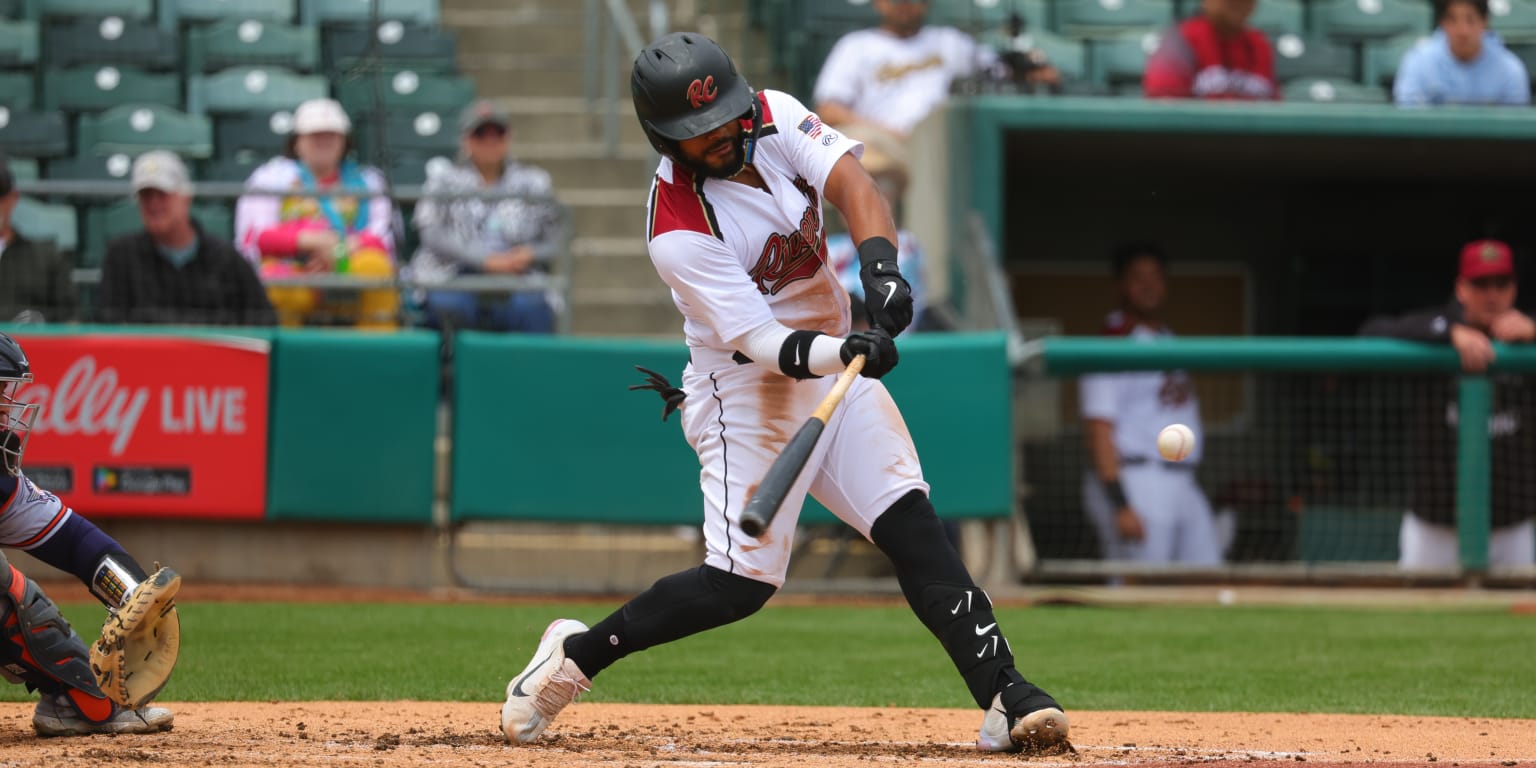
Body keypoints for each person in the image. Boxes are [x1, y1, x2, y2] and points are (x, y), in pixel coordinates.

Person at [500, 33, 1069, 755]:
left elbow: (855, 187)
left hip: (833, 363)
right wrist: (846, 348)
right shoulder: (676, 226)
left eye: (727, 121)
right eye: (699, 137)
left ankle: (1005, 695)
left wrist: (882, 269)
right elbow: (763, 344)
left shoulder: (772, 115)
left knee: (913, 528)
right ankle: (578, 655)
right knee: (737, 586)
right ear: (667, 141)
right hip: (746, 392)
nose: (723, 139)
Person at [0, 331, 178, 736]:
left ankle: (77, 700)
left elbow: (78, 543)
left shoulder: (2, 483)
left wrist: (133, 596)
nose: (6, 413)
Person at [1359, 239, 1535, 569]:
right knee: (1417, 618)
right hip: (1435, 526)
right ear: (1461, 288)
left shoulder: (1528, 333)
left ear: (1514, 288)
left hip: (1512, 525)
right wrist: (1448, 332)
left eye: (1501, 283)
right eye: (1481, 284)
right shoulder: (1436, 328)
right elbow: (1371, 332)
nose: (1492, 294)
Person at [813, 0, 1057, 197]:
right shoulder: (856, 46)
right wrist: (890, 132)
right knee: (861, 160)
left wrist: (1034, 70)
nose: (905, 4)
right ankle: (877, 254)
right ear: (878, 3)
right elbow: (829, 109)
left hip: (941, 143)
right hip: (885, 142)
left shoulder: (949, 41)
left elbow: (1000, 70)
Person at [1079, 243, 1223, 565]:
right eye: (1137, 277)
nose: (1148, 285)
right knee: (1139, 590)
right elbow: (1099, 428)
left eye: (1156, 276)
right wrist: (1120, 504)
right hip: (1137, 478)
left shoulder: (1166, 337)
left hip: (1182, 480)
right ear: (1120, 286)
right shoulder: (1113, 342)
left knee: (1208, 578)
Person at [235, 98, 398, 329]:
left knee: (376, 268)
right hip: (294, 267)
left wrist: (336, 252)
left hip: (349, 266)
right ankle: (285, 359)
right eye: (314, 135)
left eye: (332, 135)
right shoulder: (269, 177)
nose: (324, 141)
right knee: (277, 282)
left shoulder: (370, 181)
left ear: (345, 141)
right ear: (296, 142)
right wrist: (310, 243)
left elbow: (382, 238)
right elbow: (255, 237)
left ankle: (377, 357)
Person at [409, 100, 564, 332]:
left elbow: (559, 236)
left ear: (508, 137)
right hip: (453, 274)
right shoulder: (443, 179)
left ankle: (526, 369)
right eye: (480, 133)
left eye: (497, 133)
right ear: (466, 139)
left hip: (518, 274)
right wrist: (485, 260)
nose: (489, 141)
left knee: (532, 309)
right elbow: (431, 233)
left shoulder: (534, 181)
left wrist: (530, 253)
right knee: (448, 305)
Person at [98, 151, 276, 326]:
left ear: (186, 197)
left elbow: (262, 323)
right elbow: (108, 326)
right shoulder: (121, 257)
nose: (154, 203)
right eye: (146, 196)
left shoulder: (226, 259)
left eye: (162, 194)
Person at [1393, 0, 1529, 106]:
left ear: (1485, 22)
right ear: (1442, 23)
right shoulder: (1418, 62)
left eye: (1470, 20)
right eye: (1452, 20)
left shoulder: (1510, 69)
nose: (1462, 31)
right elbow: (1409, 120)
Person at [1144, 0, 1277, 99]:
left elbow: (1274, 111)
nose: (1238, 2)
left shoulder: (1259, 44)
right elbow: (1165, 111)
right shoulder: (1180, 40)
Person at [0, 155, 75, 324]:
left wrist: (42, 324)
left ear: (13, 198)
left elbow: (71, 320)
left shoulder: (46, 258)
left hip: (32, 349)